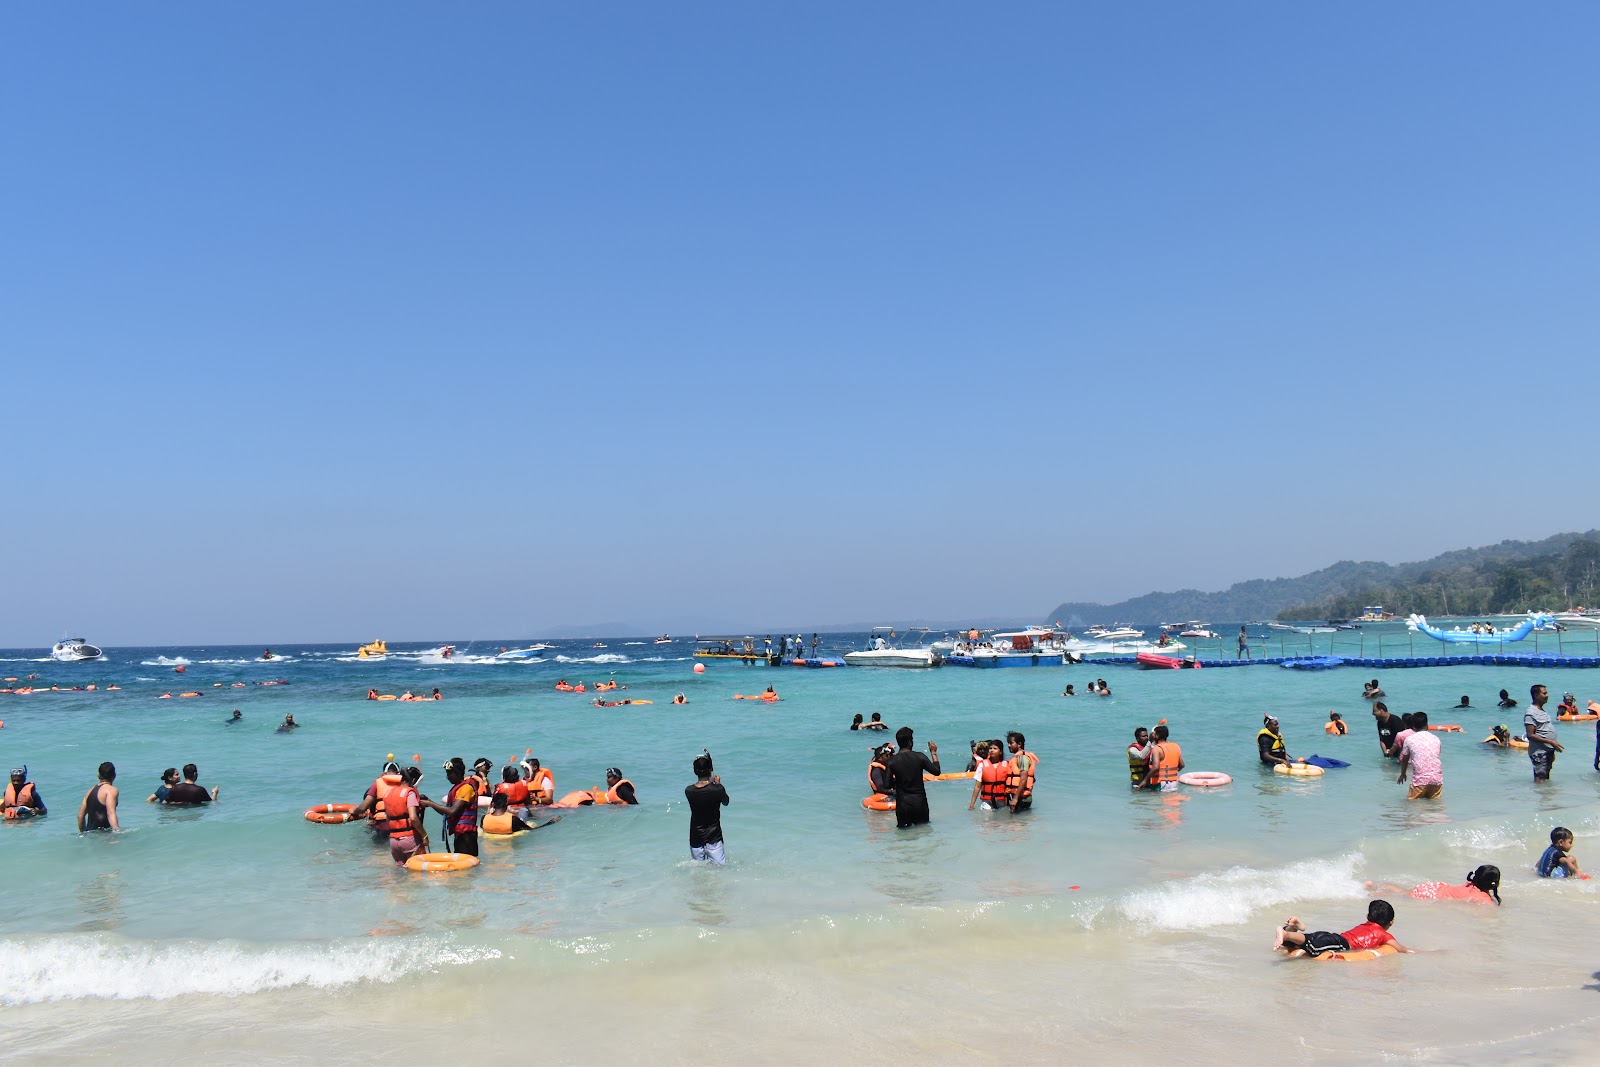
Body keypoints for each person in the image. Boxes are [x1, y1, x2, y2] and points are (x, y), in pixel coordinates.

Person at [1274, 900, 1415, 959]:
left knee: (1297, 944)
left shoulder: (1365, 925)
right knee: (1312, 946)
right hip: (1341, 944)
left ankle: (1293, 928)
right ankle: (1285, 933)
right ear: (1391, 922)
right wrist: (1423, 953)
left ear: (1368, 917)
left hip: (1334, 937)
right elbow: (1402, 949)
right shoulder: (1384, 935)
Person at [424, 758, 480, 856]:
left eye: (449, 773)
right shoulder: (458, 788)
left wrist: (430, 804)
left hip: (467, 837)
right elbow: (447, 813)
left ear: (457, 773)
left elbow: (452, 811)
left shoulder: (466, 788)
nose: (447, 777)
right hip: (460, 836)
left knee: (465, 863)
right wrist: (429, 801)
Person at [886, 726, 940, 828]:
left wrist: (898, 780)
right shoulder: (920, 757)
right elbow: (936, 771)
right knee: (923, 831)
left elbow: (887, 785)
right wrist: (933, 753)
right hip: (920, 803)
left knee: (903, 834)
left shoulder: (892, 761)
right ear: (910, 742)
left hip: (903, 805)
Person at [685, 754, 729, 864]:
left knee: (698, 869)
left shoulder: (689, 791)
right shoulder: (717, 789)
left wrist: (714, 785)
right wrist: (718, 785)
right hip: (714, 837)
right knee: (719, 869)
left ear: (695, 771)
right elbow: (726, 802)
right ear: (710, 770)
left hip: (695, 837)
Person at [382, 767, 428, 865]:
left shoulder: (388, 793)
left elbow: (388, 818)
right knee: (417, 869)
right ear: (413, 780)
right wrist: (424, 836)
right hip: (409, 839)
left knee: (401, 870)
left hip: (393, 841)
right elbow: (413, 818)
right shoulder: (409, 793)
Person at [1396, 711, 1443, 799]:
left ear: (1413, 726)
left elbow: (1404, 759)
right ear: (1427, 725)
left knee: (1412, 806)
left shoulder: (1409, 739)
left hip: (1419, 781)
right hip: (1437, 780)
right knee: (1434, 806)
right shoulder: (1436, 739)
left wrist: (1403, 774)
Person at [1404, 865, 1502, 904]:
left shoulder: (1469, 883)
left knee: (1403, 892)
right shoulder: (1483, 899)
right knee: (1403, 894)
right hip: (1431, 896)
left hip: (1434, 887)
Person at [1525, 683, 1562, 781]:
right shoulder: (1530, 713)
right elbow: (1530, 735)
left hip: (1548, 750)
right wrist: (1550, 741)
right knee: (1540, 779)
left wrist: (1552, 745)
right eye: (1544, 693)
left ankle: (1546, 791)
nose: (1547, 695)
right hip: (1539, 752)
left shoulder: (1542, 711)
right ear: (1536, 695)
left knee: (1546, 779)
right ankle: (1538, 791)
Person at [482, 792, 562, 835]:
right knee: (524, 810)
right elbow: (532, 830)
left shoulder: (484, 819)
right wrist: (551, 822)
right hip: (513, 834)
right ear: (506, 804)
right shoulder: (512, 820)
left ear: (493, 804)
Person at [77, 762, 120, 832]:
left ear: (98, 775)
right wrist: (116, 830)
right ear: (114, 775)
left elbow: (80, 816)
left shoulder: (89, 792)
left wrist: (83, 834)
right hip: (104, 833)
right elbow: (110, 812)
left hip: (90, 833)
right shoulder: (111, 790)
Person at [968, 741, 1009, 810]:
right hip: (987, 801)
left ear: (1000, 752)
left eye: (995, 748)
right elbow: (977, 786)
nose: (992, 750)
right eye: (990, 748)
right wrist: (972, 804)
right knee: (986, 816)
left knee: (1002, 816)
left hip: (1002, 800)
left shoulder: (1006, 765)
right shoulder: (982, 765)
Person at [1005, 732, 1038, 812]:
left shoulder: (1023, 758)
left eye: (1011, 743)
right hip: (1018, 796)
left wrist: (1015, 799)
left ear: (1019, 744)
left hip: (1022, 798)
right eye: (1008, 743)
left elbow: (1023, 779)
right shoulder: (1016, 757)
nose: (1008, 745)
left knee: (1018, 819)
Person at [1144, 724, 1182, 792]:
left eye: (1153, 734)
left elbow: (1155, 767)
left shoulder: (1157, 748)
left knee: (1158, 799)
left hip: (1161, 783)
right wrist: (1170, 773)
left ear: (1157, 736)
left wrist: (1144, 780)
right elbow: (1182, 765)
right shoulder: (1175, 746)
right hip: (1174, 782)